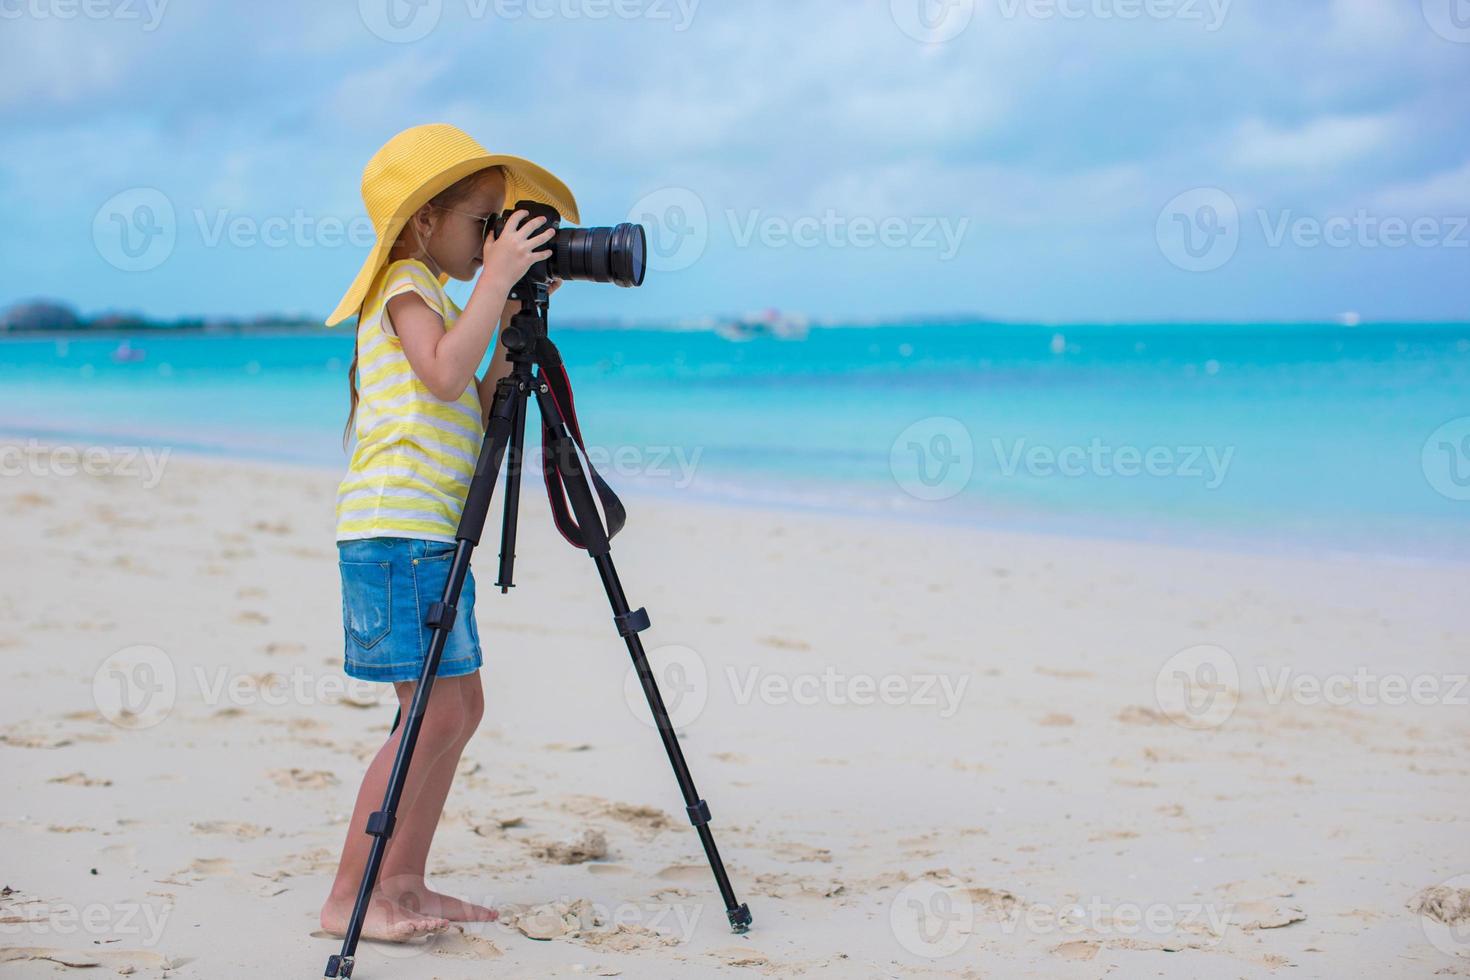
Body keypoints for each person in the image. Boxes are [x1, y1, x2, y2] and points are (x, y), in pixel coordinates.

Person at [318, 123, 579, 941]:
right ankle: (347, 897)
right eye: (483, 223)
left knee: (456, 706)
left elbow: (479, 380)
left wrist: (510, 302)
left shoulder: (442, 295)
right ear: (424, 220)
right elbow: (439, 372)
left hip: (428, 532)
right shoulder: (403, 282)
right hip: (395, 530)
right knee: (427, 713)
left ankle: (403, 881)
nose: (493, 240)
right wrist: (490, 283)